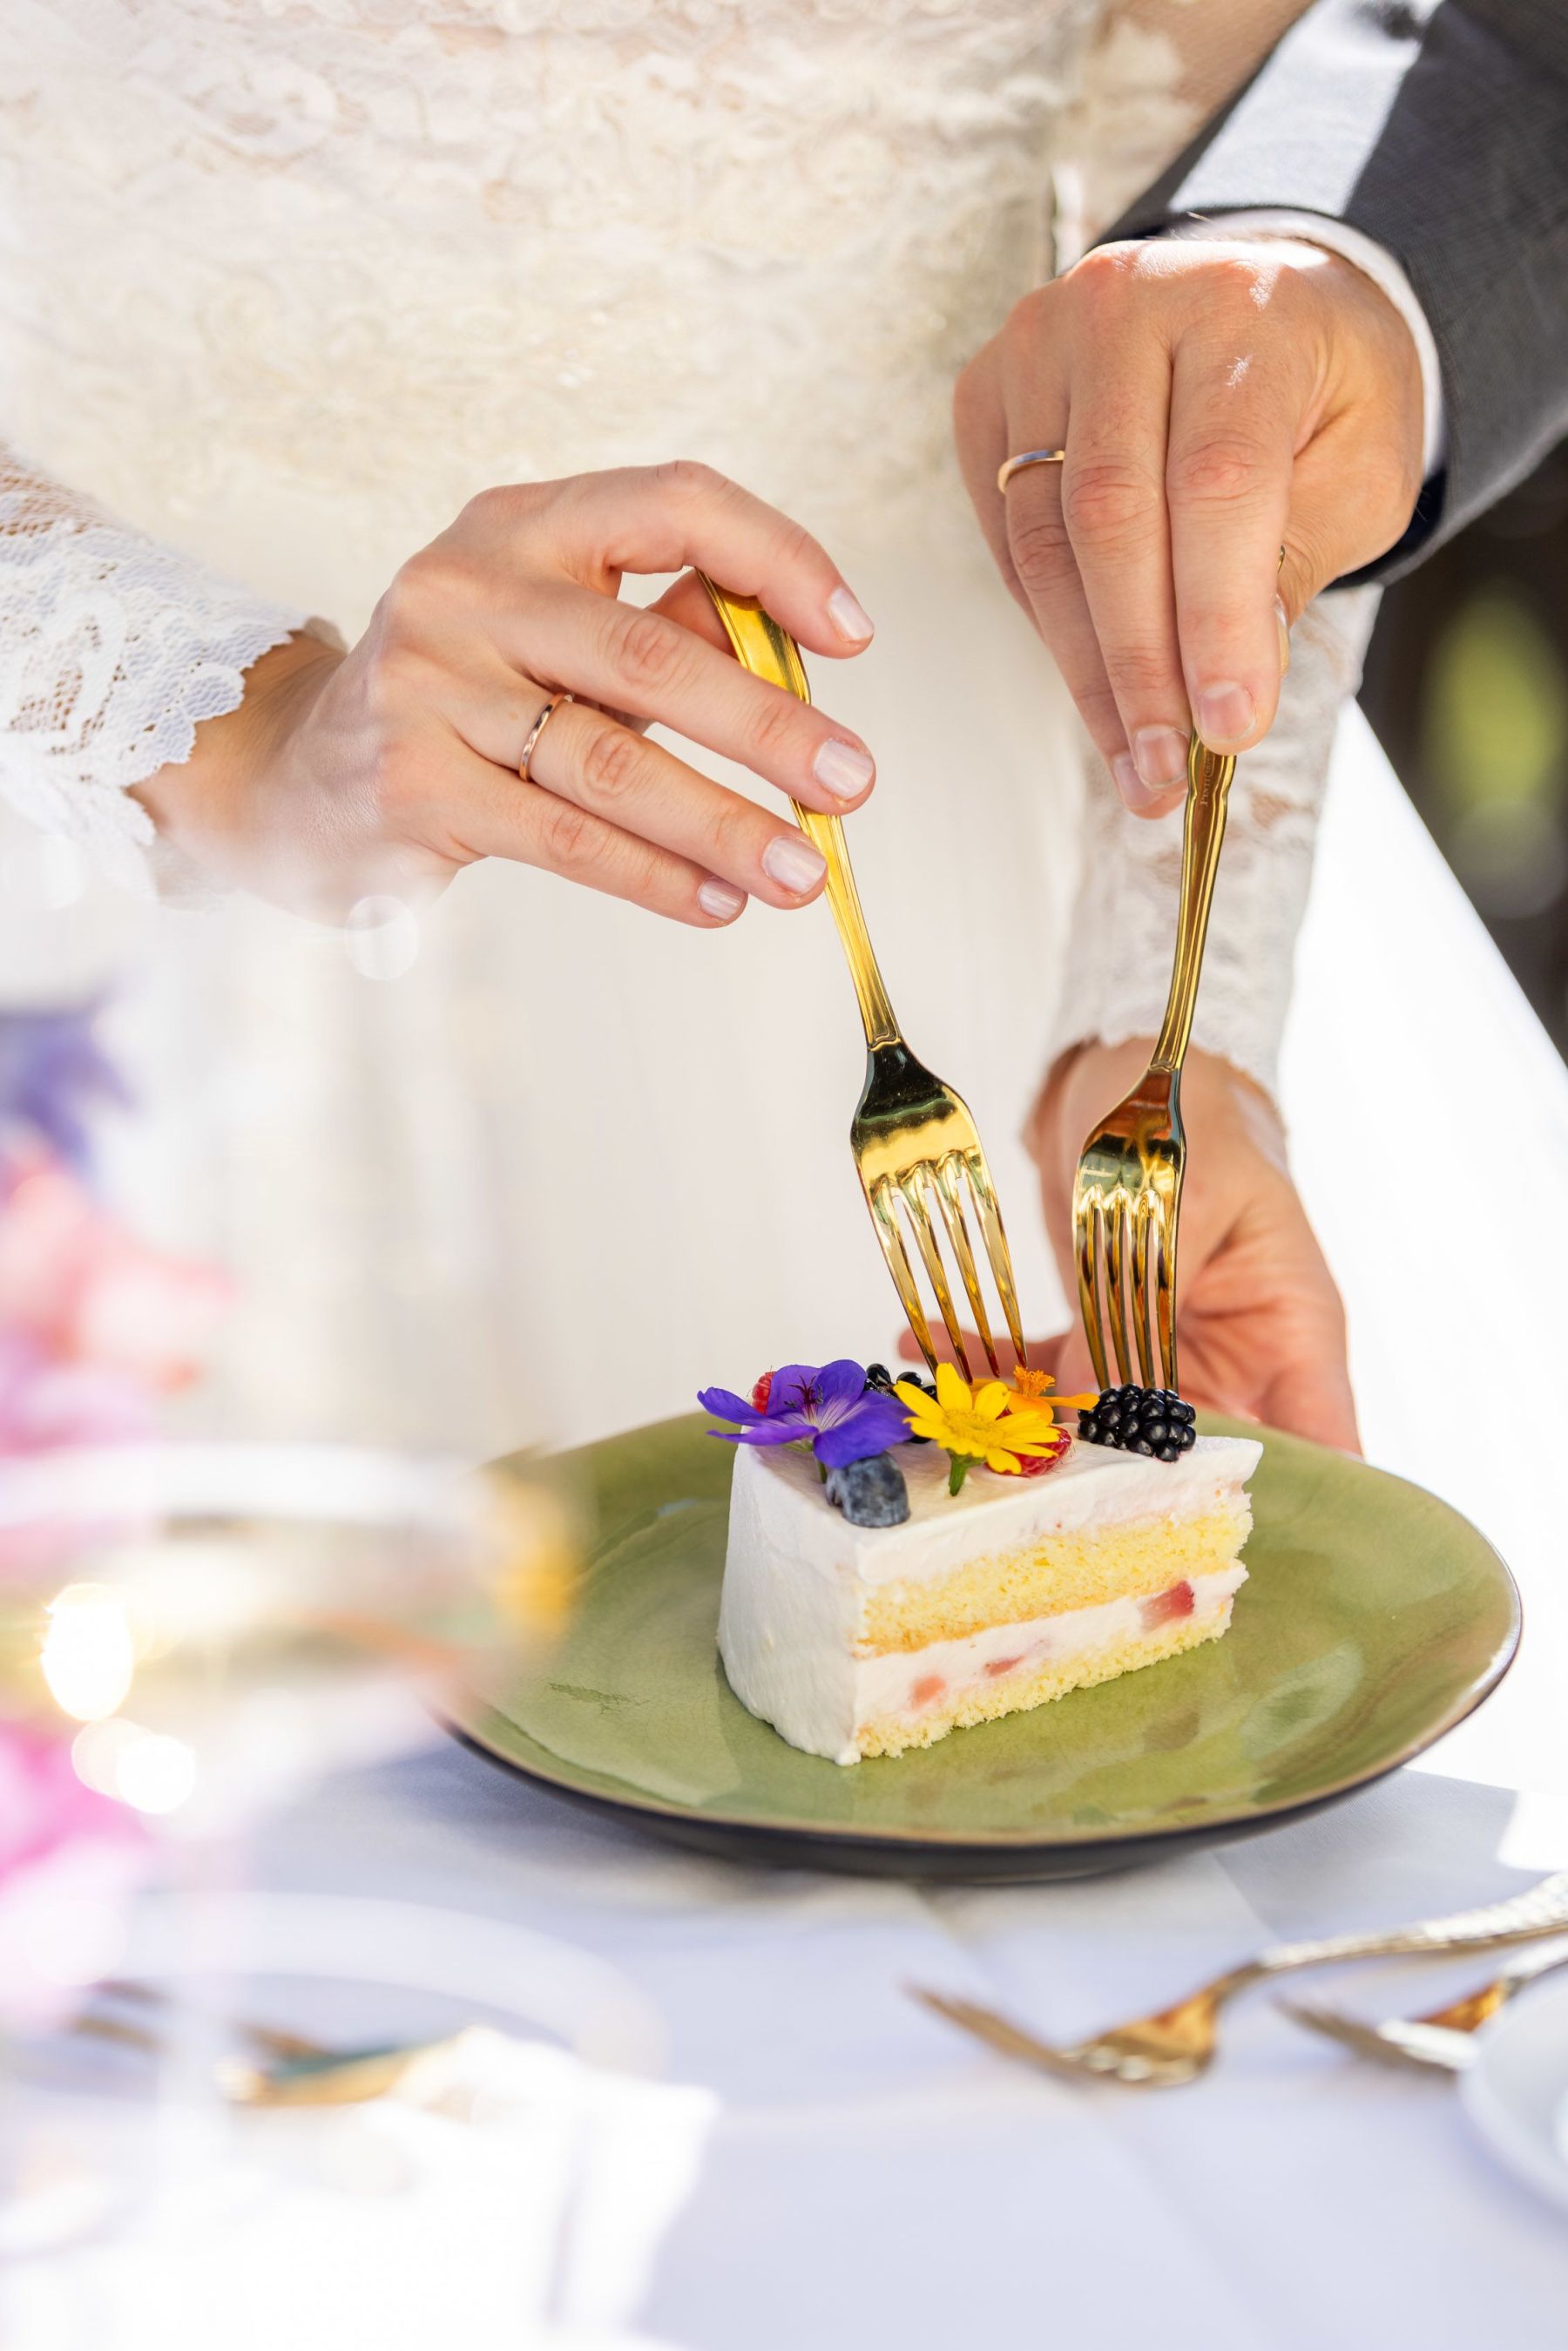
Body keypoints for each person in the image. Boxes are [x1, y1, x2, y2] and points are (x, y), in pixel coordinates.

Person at [0, 2, 1560, 1453]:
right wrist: (233, 725)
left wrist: (1167, 1017)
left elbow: (1224, 370)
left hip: (977, 834)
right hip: (113, 886)